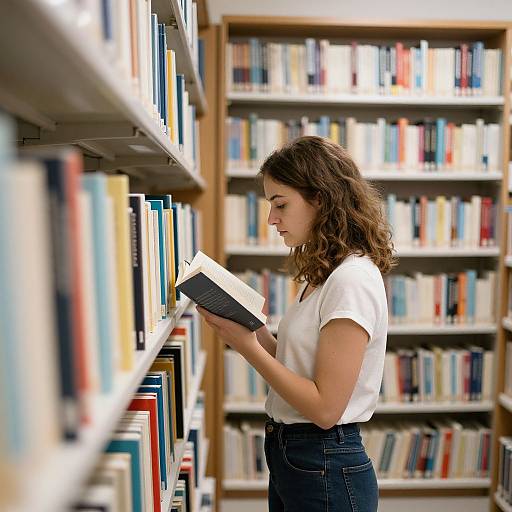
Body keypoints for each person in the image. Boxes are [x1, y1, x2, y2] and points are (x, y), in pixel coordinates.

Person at [196, 135, 396, 511]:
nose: (272, 219)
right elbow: (299, 368)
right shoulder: (323, 275)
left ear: (320, 199)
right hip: (296, 457)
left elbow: (324, 409)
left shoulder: (351, 279)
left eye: (281, 204)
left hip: (324, 461)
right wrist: (252, 328)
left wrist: (247, 347)